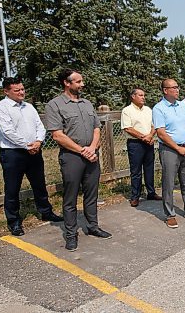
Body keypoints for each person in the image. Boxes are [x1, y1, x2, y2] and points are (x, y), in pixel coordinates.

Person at [45, 68, 112, 251]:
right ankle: (71, 234)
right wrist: (82, 151)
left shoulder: (87, 104)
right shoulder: (54, 105)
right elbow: (58, 135)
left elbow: (97, 128)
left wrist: (92, 148)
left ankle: (93, 226)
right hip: (71, 157)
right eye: (78, 81)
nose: (82, 84)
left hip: (91, 155)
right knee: (70, 198)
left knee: (91, 194)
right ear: (67, 83)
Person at [0, 77, 63, 236]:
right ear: (6, 91)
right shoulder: (1, 108)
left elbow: (40, 126)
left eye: (22, 89)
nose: (21, 92)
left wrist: (38, 141)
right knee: (12, 188)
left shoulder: (29, 107)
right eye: (17, 90)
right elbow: (7, 131)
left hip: (35, 151)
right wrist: (27, 145)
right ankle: (14, 221)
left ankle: (46, 211)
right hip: (13, 154)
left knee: (39, 184)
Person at [152, 79, 185, 228]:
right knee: (168, 182)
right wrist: (177, 148)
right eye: (173, 87)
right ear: (165, 90)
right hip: (169, 150)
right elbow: (161, 133)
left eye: (177, 87)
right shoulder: (159, 108)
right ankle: (170, 214)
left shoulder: (182, 106)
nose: (177, 90)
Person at [121, 88, 162, 208]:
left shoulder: (148, 110)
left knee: (149, 168)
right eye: (140, 95)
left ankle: (151, 192)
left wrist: (150, 136)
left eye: (144, 95)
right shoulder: (127, 111)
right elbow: (128, 128)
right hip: (135, 144)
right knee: (136, 171)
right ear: (133, 96)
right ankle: (135, 196)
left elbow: (154, 125)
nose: (143, 97)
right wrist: (143, 137)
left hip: (148, 142)